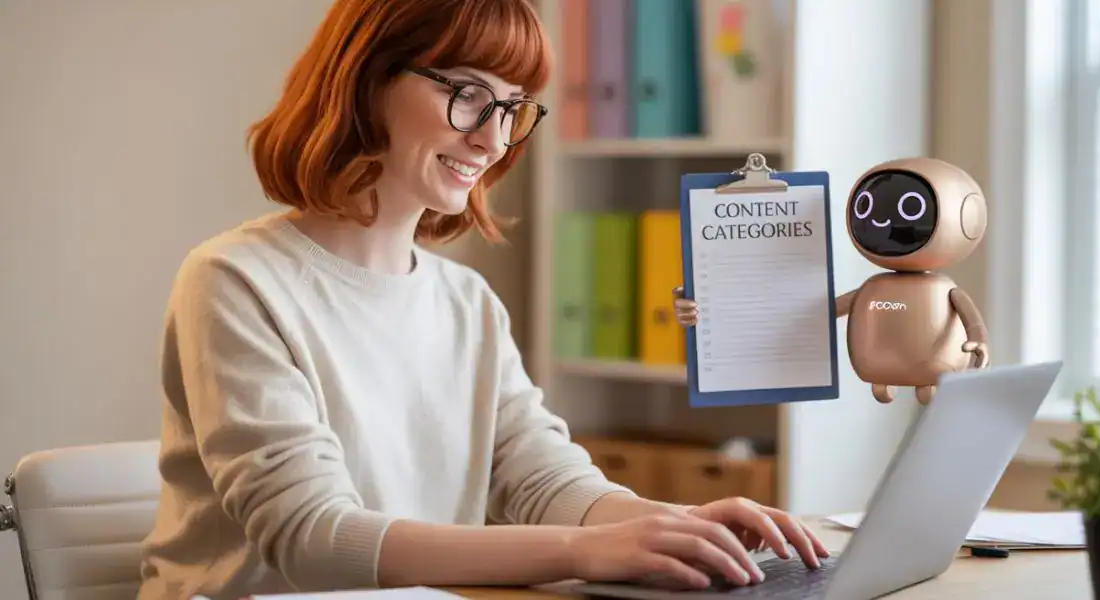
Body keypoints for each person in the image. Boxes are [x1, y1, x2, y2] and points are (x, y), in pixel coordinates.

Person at [136, 0, 828, 598]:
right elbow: (315, 539)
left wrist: (678, 523)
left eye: (511, 107)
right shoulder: (235, 279)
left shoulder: (465, 301)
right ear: (365, 79)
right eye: (467, 93)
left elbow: (542, 479)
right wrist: (586, 552)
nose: (493, 139)